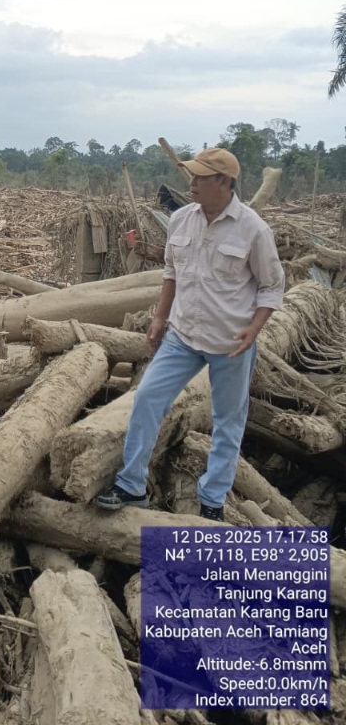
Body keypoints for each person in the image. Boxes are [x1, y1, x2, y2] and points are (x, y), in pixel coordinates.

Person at [95, 147, 285, 521]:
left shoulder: (252, 229)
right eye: (192, 176)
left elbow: (271, 286)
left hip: (231, 342)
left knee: (228, 420)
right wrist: (159, 318)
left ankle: (212, 501)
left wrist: (254, 329)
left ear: (224, 183)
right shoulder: (181, 220)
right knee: (148, 397)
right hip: (183, 335)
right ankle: (131, 485)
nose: (192, 183)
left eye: (200, 177)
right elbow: (171, 273)